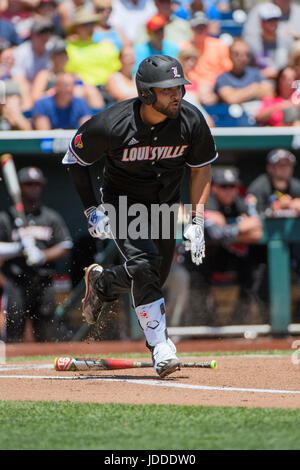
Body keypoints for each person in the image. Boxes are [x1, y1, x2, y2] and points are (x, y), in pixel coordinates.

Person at [62, 54, 218, 377]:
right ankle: (161, 347)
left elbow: (201, 168)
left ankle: (102, 283)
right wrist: (92, 209)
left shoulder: (191, 121)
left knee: (154, 276)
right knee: (144, 266)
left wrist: (198, 219)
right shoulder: (111, 123)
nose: (176, 94)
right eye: (166, 89)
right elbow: (74, 158)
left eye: (179, 87)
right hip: (123, 203)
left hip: (163, 203)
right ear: (146, 93)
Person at [0, 166, 72, 342]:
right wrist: (18, 248)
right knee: (13, 332)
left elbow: (65, 245)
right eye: (29, 184)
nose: (34, 188)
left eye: (37, 184)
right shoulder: (6, 218)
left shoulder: (50, 216)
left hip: (44, 282)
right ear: (21, 186)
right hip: (16, 282)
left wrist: (42, 255)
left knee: (47, 333)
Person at [214, 38, 274, 120]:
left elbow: (270, 93)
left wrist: (237, 93)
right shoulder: (222, 77)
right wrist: (255, 88)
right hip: (231, 120)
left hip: (257, 119)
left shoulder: (256, 73)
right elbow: (231, 99)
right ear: (230, 56)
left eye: (247, 55)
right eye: (237, 54)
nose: (242, 58)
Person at [180, 11, 232, 105]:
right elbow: (183, 72)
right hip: (193, 88)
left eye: (203, 27)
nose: (200, 29)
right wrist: (200, 85)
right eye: (197, 27)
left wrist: (211, 85)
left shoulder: (219, 45)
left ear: (207, 28)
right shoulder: (185, 47)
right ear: (191, 28)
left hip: (216, 87)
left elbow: (227, 70)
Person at [64, 8, 121, 89]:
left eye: (92, 24)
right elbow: (69, 73)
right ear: (76, 28)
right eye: (85, 25)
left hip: (108, 86)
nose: (89, 27)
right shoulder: (68, 48)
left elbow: (116, 71)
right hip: (83, 88)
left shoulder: (106, 46)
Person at [245, 3, 295, 80]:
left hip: (283, 82)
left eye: (275, 19)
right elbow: (245, 68)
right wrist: (260, 73)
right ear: (261, 22)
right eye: (269, 20)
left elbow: (293, 66)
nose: (273, 23)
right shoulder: (251, 43)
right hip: (260, 82)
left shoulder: (288, 41)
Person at [247, 148, 300, 215]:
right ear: (270, 167)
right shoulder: (258, 187)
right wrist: (276, 207)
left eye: (289, 165)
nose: (286, 168)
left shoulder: (297, 186)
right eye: (281, 165)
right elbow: (253, 214)